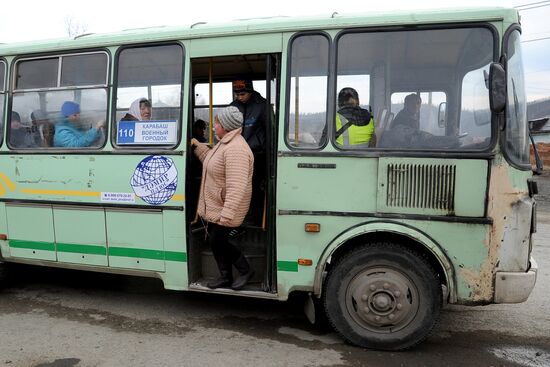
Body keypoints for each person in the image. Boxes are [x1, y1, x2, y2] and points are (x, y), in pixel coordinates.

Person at [190, 106, 254, 290]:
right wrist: (196, 145)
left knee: (219, 241)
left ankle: (245, 270)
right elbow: (211, 160)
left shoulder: (236, 149)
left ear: (226, 126)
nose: (213, 126)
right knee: (216, 241)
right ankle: (225, 277)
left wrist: (227, 213)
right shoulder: (225, 143)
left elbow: (236, 186)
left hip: (227, 207)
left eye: (216, 123)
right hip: (219, 205)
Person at [379, 93, 459, 149]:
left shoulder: (411, 117)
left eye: (418, 103)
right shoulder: (402, 120)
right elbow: (420, 139)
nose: (416, 106)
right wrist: (451, 140)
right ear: (405, 104)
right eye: (413, 103)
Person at [230, 79, 267, 153]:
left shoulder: (262, 105)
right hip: (238, 151)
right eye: (237, 95)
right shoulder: (233, 106)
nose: (240, 97)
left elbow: (270, 130)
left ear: (250, 92)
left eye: (243, 94)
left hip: (258, 152)